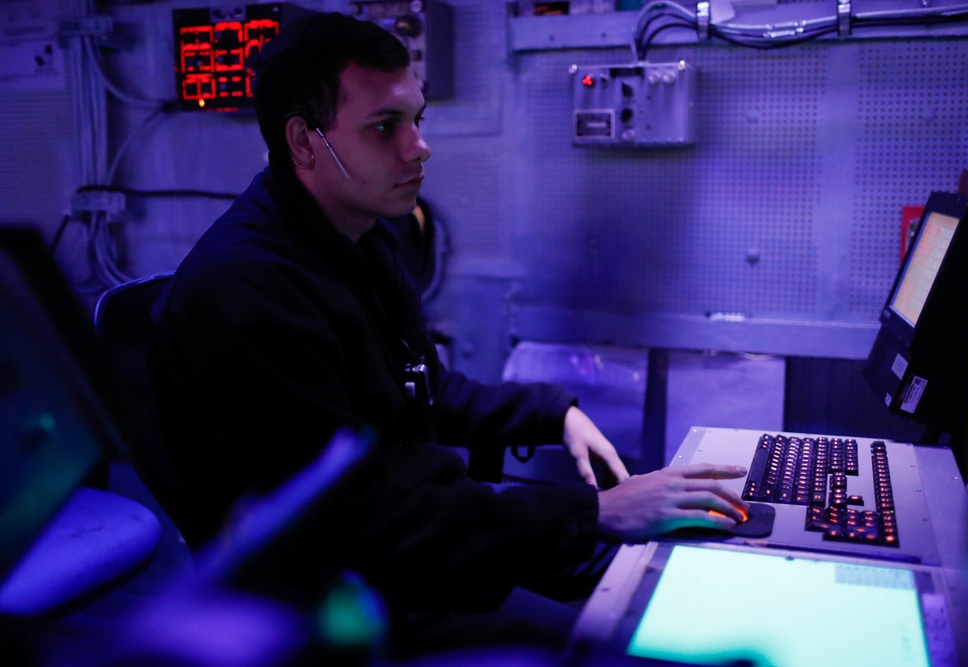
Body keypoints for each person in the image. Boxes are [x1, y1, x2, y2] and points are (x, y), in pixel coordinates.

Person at [147, 11, 748, 656]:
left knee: (693, 576)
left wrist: (554, 413)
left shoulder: (361, 237)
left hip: (424, 538)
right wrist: (598, 512)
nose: (419, 147)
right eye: (385, 127)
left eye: (417, 120)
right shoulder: (245, 292)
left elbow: (422, 390)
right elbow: (358, 524)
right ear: (303, 142)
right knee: (644, 642)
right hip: (343, 599)